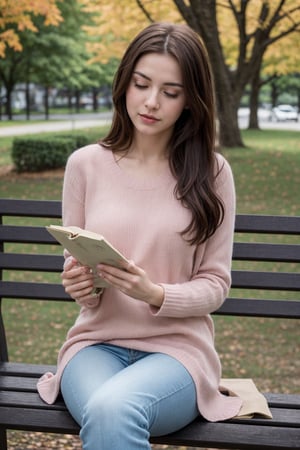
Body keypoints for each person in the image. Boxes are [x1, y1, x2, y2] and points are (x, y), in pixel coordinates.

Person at [37, 21, 242, 450]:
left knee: (112, 410)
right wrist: (79, 284)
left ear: (190, 101)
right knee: (110, 411)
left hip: (178, 354)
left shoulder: (213, 173)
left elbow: (216, 283)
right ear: (124, 83)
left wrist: (155, 294)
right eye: (141, 84)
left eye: (170, 92)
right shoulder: (85, 165)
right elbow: (79, 270)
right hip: (94, 346)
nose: (151, 102)